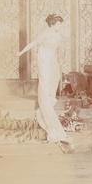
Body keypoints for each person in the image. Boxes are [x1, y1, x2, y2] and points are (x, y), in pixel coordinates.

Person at [17, 14, 73, 153]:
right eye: (58, 24)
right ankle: (52, 127)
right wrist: (21, 52)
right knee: (45, 90)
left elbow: (62, 49)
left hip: (53, 64)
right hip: (44, 64)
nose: (60, 26)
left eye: (61, 24)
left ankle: (46, 112)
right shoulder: (45, 34)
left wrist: (61, 62)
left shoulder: (58, 35)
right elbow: (33, 43)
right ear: (52, 24)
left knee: (51, 91)